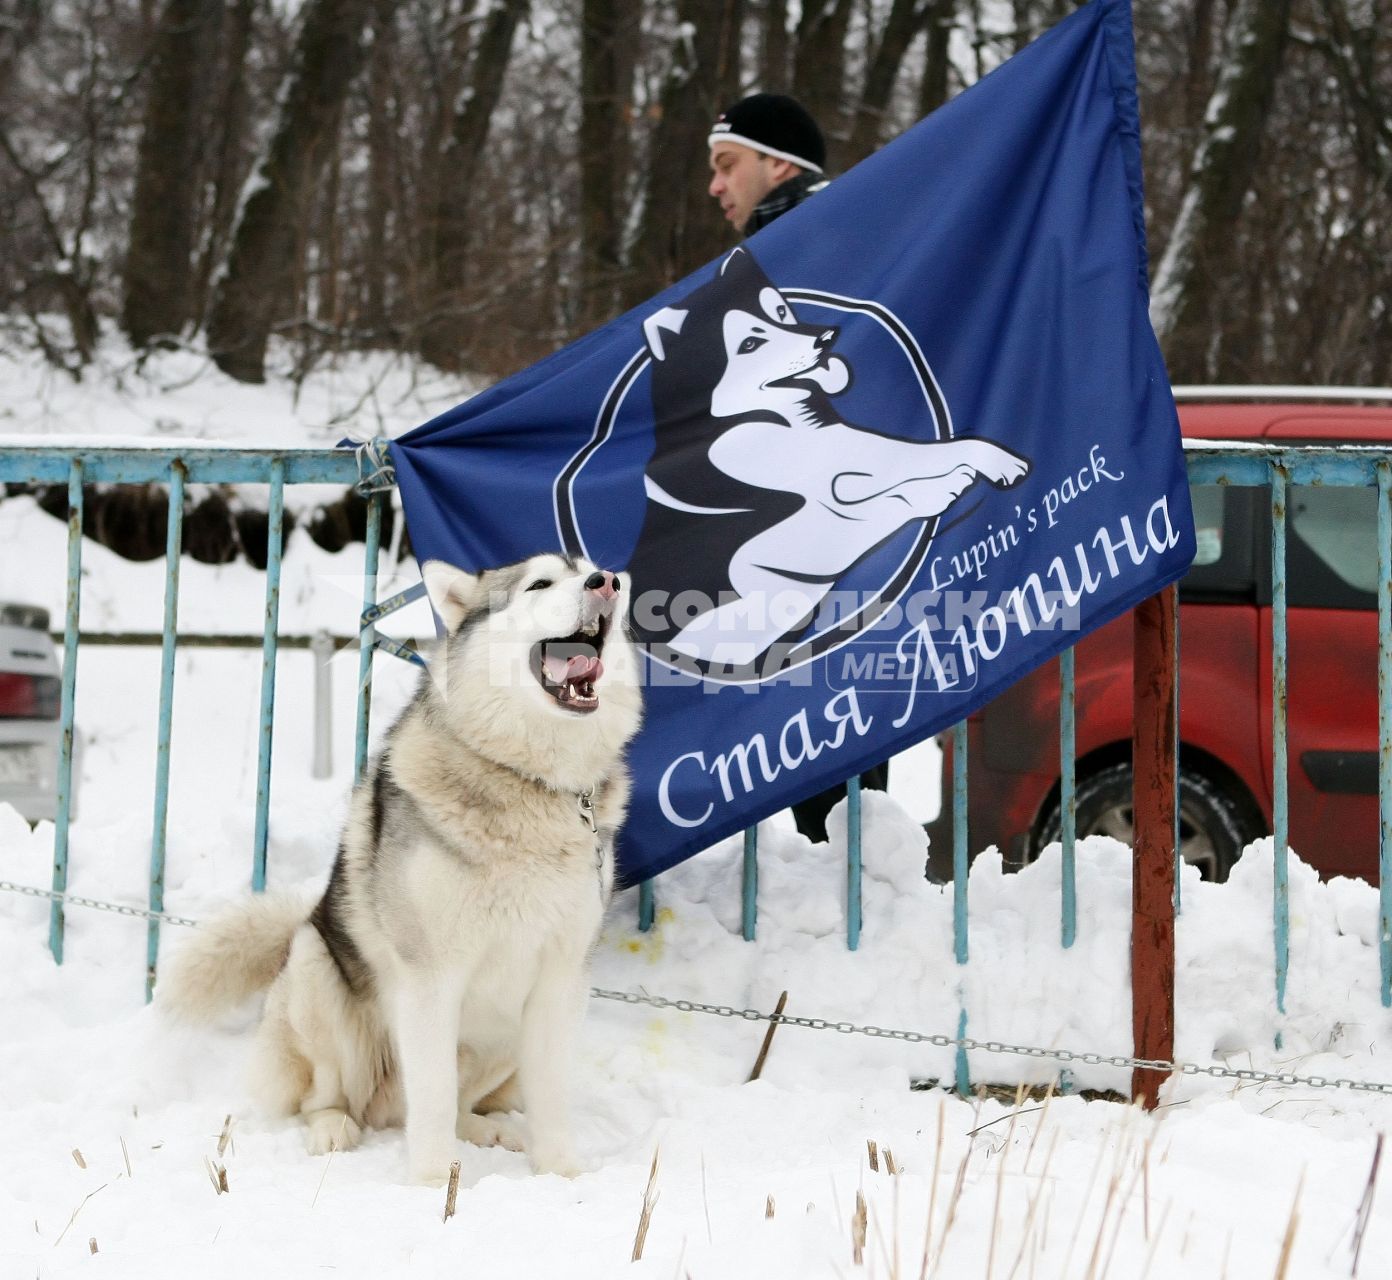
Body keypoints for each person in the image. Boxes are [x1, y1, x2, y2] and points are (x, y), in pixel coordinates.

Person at [705, 92, 889, 843]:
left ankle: (840, 917)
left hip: (823, 556)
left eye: (727, 165)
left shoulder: (802, 251)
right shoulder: (816, 241)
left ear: (778, 165)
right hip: (819, 555)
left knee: (835, 791)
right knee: (841, 795)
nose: (716, 186)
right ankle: (839, 907)